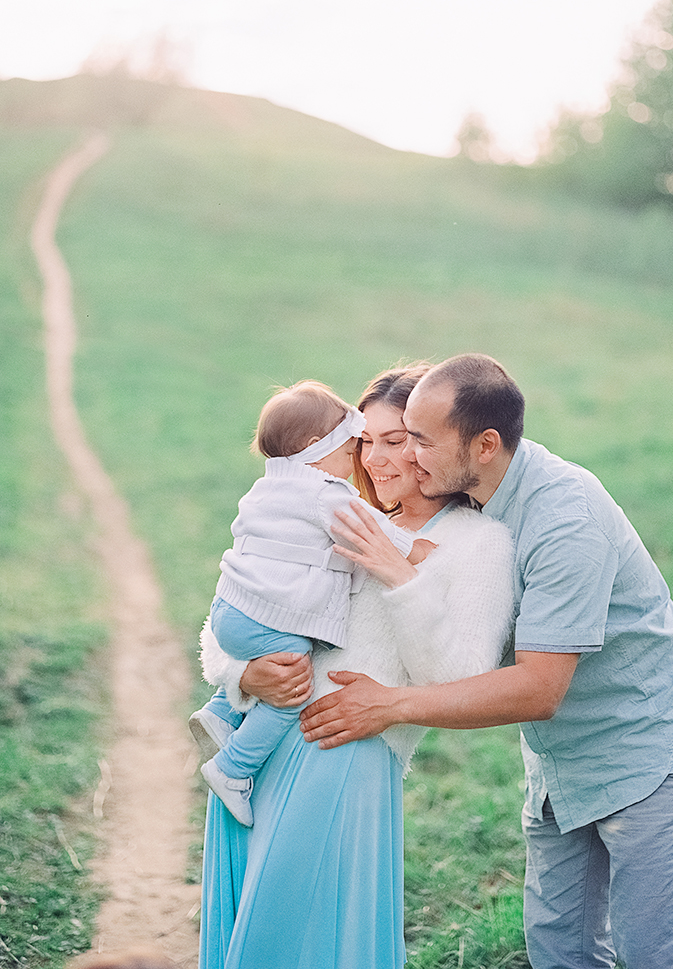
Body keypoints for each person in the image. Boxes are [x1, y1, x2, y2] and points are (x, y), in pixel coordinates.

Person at [300, 352, 673, 969]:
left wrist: (389, 707)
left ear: (484, 445)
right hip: (559, 768)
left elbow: (538, 689)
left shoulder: (563, 517)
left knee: (653, 957)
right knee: (559, 952)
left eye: (420, 439)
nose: (407, 456)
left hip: (644, 758)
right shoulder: (470, 503)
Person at [198, 364, 515, 969]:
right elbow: (233, 616)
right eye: (364, 441)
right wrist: (243, 676)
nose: (376, 459)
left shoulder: (478, 545)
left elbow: (458, 683)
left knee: (296, 942)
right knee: (246, 935)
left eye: (398, 440)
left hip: (341, 756)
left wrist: (402, 578)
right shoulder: (334, 514)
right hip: (250, 755)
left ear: (434, 442)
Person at [189, 379, 420, 827]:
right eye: (359, 443)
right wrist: (415, 552)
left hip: (231, 613)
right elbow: (371, 529)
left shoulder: (268, 490)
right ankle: (233, 768)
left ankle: (220, 711)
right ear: (319, 447)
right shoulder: (327, 497)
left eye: (394, 441)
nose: (364, 460)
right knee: (291, 693)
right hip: (285, 740)